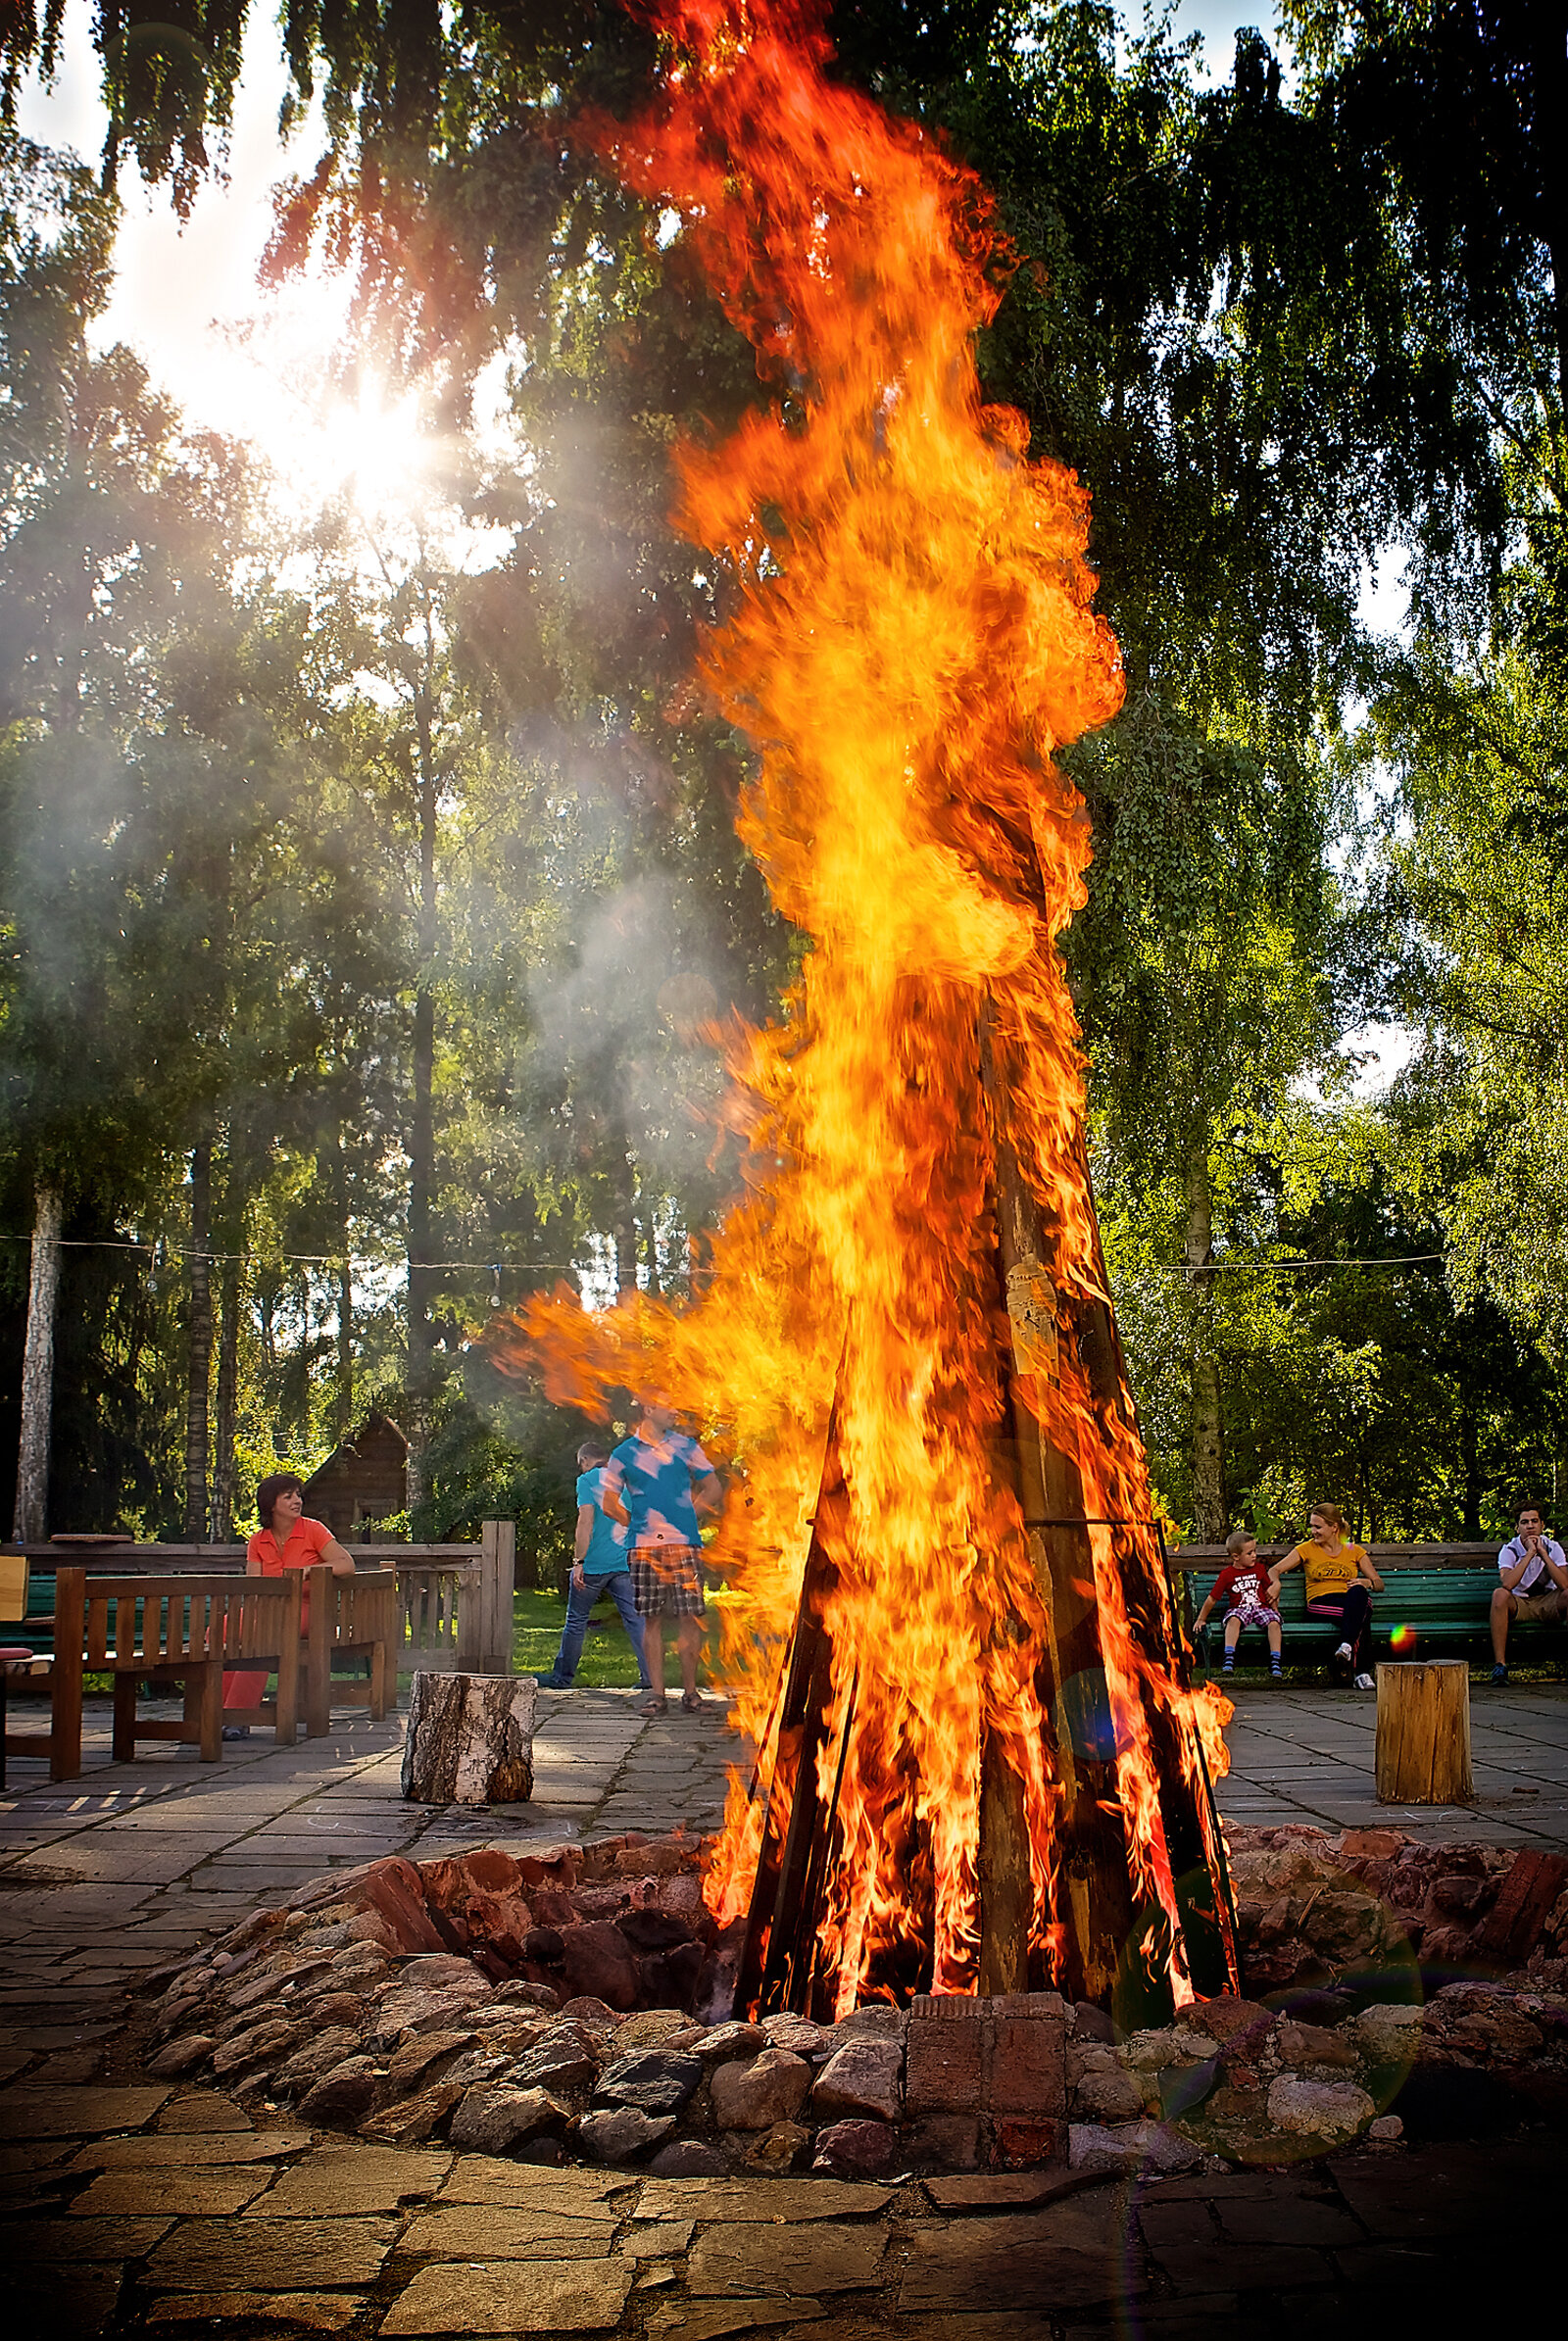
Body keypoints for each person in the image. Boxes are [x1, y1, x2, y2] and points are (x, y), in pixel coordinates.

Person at [610, 1397, 721, 1717]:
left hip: (683, 1545)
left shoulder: (686, 1446)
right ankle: (657, 1696)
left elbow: (713, 1487)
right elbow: (607, 1501)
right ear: (647, 1409)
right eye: (668, 1405)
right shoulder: (623, 1454)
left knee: (690, 1617)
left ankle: (691, 1694)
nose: (675, 1410)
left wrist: (686, 1515)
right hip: (644, 1549)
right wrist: (636, 1523)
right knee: (652, 1619)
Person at [221, 1474, 356, 1739]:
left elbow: (347, 1565)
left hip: (308, 1610)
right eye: (289, 1496)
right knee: (222, 1629)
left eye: (298, 1495)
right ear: (271, 1504)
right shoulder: (258, 1540)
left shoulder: (313, 1530)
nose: (297, 1501)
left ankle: (237, 1715)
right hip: (268, 1610)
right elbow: (253, 1585)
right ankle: (217, 1712)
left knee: (261, 1633)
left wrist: (311, 1569)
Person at [533, 1439, 653, 1693]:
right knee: (635, 1619)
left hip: (594, 1565)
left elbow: (585, 1522)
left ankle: (561, 1678)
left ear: (586, 1461)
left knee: (576, 1620)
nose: (581, 1469)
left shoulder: (588, 1480)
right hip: (625, 1561)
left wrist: (579, 1562)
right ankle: (651, 1676)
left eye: (581, 1464)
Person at [1272, 1501, 1384, 1689]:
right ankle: (1362, 1673)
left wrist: (1367, 1582)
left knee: (1359, 1593)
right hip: (1321, 1603)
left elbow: (1379, 1584)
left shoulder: (1354, 1551)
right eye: (1312, 1526)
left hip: (1349, 1601)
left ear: (1334, 1527)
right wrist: (1276, 1583)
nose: (1313, 1531)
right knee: (1361, 1616)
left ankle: (1346, 1647)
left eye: (1318, 1527)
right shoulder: (1306, 1549)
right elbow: (1274, 1570)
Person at [1490, 1500, 1568, 1683]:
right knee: (1499, 1595)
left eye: (1534, 1521)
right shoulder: (1509, 1549)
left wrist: (1543, 1554)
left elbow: (1564, 1584)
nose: (1530, 1526)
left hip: (1549, 1603)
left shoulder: (1553, 1547)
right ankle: (1500, 1666)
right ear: (1517, 1527)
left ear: (1542, 1525)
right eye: (1524, 1522)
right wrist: (1529, 1554)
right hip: (1520, 1603)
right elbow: (1507, 1584)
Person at [1193, 1528, 1284, 1679]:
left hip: (1260, 1607)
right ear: (1236, 1556)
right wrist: (1201, 1619)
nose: (1254, 1556)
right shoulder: (1227, 1575)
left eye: (1255, 1551)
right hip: (1240, 1608)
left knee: (1274, 1623)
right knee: (1233, 1620)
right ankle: (1229, 1657)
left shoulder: (1260, 1569)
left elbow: (1269, 1593)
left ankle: (1275, 1660)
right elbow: (1212, 1598)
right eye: (1249, 1553)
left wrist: (1275, 1610)